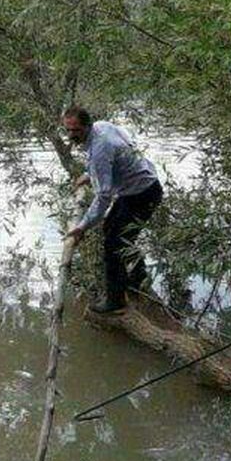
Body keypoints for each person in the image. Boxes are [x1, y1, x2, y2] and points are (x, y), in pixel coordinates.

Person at [62, 106, 164, 314]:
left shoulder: (100, 148)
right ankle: (137, 280)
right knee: (111, 228)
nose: (72, 135)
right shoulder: (101, 127)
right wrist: (89, 173)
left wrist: (81, 227)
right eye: (68, 130)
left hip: (142, 194)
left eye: (76, 131)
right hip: (140, 187)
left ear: (87, 126)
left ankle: (116, 301)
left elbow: (104, 196)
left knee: (113, 244)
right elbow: (120, 151)